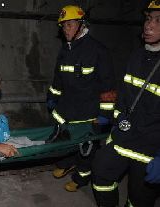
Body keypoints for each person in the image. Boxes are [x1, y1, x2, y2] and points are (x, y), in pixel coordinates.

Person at [92, 1, 160, 206]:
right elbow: (124, 94)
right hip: (124, 137)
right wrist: (109, 116)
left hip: (150, 148)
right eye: (148, 19)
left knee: (139, 199)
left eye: (158, 21)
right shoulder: (137, 54)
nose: (149, 25)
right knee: (101, 173)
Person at [46, 5, 115, 192]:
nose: (65, 29)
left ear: (81, 24)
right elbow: (58, 78)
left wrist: (104, 115)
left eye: (69, 25)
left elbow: (108, 88)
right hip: (67, 109)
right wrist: (52, 97)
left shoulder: (98, 51)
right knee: (64, 141)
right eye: (63, 26)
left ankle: (81, 177)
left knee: (86, 150)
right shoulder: (65, 50)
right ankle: (67, 163)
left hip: (88, 112)